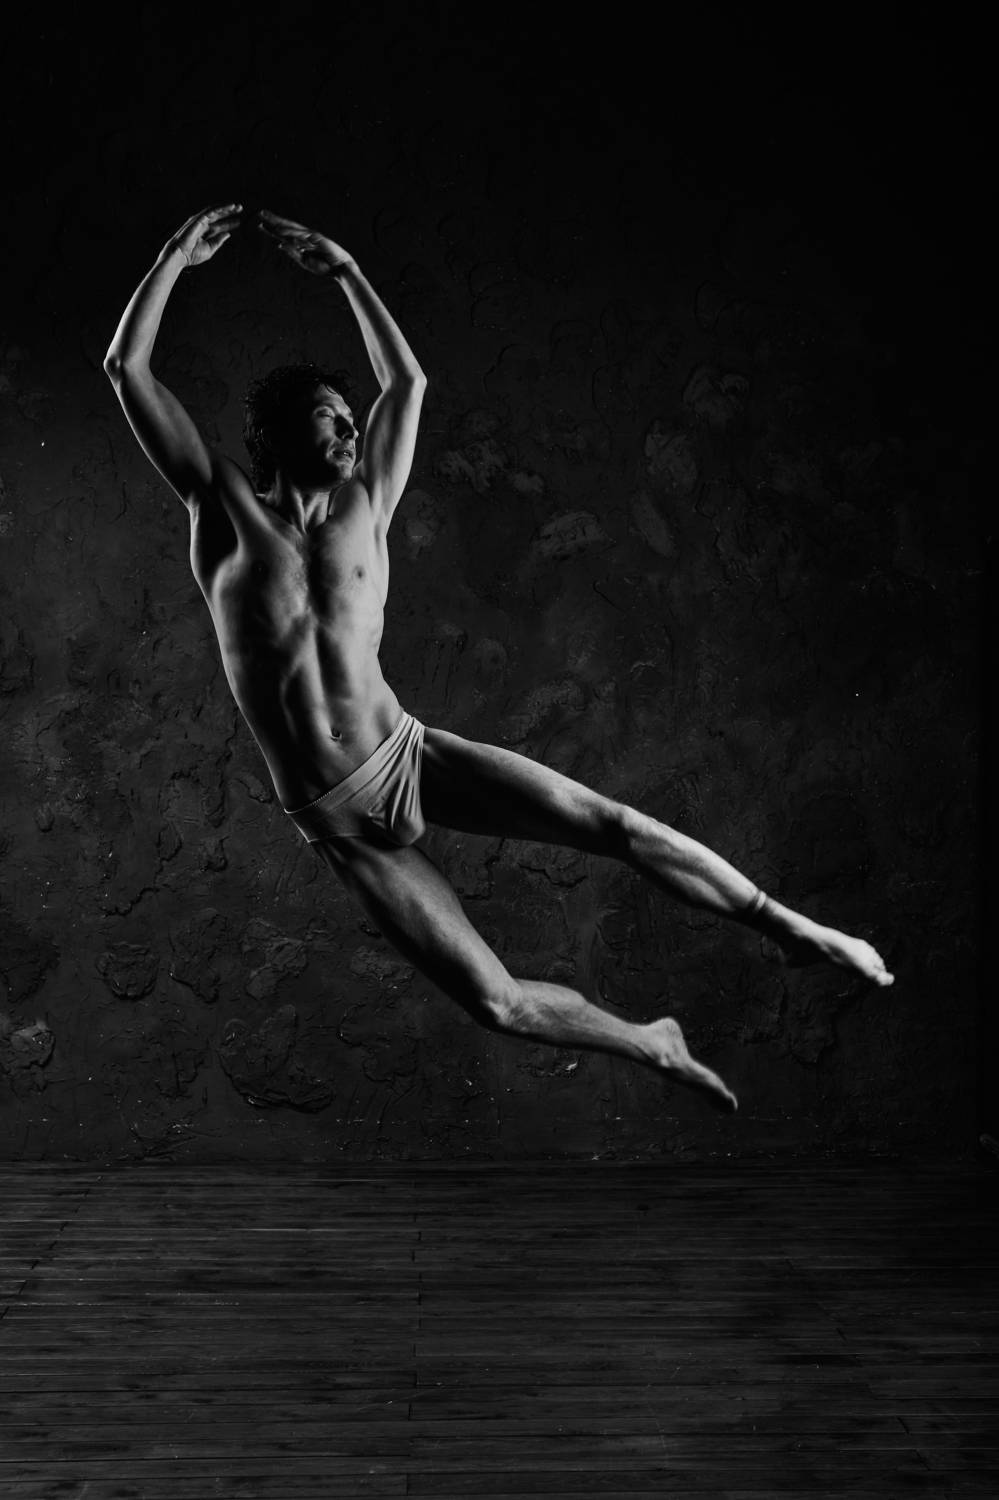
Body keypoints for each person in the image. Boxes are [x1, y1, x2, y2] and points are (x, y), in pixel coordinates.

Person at [104, 203, 894, 1115]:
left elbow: (406, 382)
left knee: (613, 825)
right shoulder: (222, 512)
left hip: (406, 754)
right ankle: (649, 1040)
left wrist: (347, 271)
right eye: (328, 419)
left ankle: (786, 926)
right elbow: (126, 369)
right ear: (279, 436)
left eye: (349, 419)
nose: (350, 431)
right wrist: (174, 257)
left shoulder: (368, 506)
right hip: (337, 820)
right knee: (496, 1003)